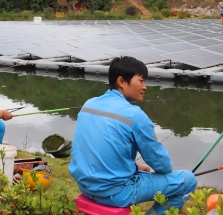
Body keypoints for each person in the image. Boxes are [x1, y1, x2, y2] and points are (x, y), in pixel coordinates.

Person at [69, 56, 196, 215]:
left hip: (85, 186)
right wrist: (163, 171)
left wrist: (135, 167)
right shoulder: (135, 115)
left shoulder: (89, 104)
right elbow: (162, 165)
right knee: (187, 179)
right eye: (141, 81)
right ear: (121, 81)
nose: (144, 87)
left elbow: (98, 150)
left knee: (142, 169)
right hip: (114, 193)